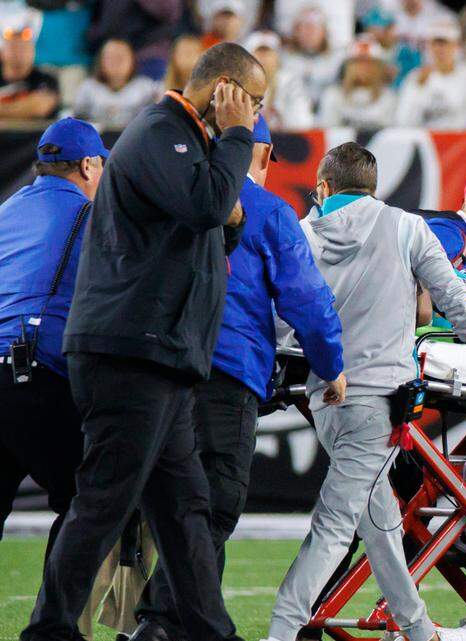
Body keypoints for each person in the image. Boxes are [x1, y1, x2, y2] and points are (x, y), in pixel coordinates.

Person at [19, 43, 265, 641]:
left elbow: (199, 235)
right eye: (253, 101)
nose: (256, 114)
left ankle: (212, 633)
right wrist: (237, 140)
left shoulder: (188, 145)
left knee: (184, 510)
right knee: (105, 498)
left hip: (161, 354)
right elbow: (208, 207)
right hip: (131, 351)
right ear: (225, 89)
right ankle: (48, 631)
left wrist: (231, 224)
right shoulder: (160, 131)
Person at [264, 141, 466, 641]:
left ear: (324, 188)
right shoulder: (405, 227)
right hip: (379, 403)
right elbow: (455, 299)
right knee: (335, 528)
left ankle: (420, 631)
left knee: (381, 528)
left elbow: (280, 320)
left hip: (326, 399)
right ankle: (281, 631)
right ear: (374, 188)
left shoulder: (302, 234)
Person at [133, 115, 345, 641]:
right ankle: (158, 625)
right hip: (224, 371)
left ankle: (186, 627)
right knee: (215, 503)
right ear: (265, 155)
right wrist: (331, 364)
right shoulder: (267, 210)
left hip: (155, 368)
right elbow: (306, 300)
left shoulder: (168, 196)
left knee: (180, 501)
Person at [0, 117, 107, 560]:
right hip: (38, 376)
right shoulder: (91, 216)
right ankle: (58, 606)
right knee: (91, 501)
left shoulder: (6, 210)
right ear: (87, 165)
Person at [396, 17, 466, 129]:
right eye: (435, 44)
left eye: (444, 43)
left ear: (456, 46)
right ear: (428, 46)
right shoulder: (416, 77)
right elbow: (403, 121)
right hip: (424, 137)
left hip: (459, 136)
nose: (439, 49)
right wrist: (418, 88)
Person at [72, 39, 160, 129]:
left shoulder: (147, 88)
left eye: (120, 57)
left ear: (132, 59)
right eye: (110, 58)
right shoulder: (88, 88)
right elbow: (77, 119)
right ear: (100, 60)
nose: (115, 62)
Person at [318, 38, 399, 129]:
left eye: (369, 62)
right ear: (347, 67)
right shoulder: (333, 95)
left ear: (379, 68)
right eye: (357, 62)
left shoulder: (389, 98)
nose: (363, 67)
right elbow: (327, 131)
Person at [247, 30, 315, 131]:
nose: (263, 59)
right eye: (259, 53)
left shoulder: (290, 82)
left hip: (284, 137)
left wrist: (278, 114)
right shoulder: (240, 85)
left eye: (268, 53)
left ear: (277, 57)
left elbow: (304, 122)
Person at [280, 7, 345, 105]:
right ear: (295, 32)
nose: (309, 33)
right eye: (304, 28)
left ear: (324, 32)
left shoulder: (338, 58)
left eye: (313, 28)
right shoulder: (284, 58)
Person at [0, 16, 60, 120]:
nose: (19, 53)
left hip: (36, 131)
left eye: (24, 47)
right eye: (13, 47)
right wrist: (25, 106)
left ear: (33, 52)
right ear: (2, 53)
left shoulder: (46, 80)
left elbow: (40, 108)